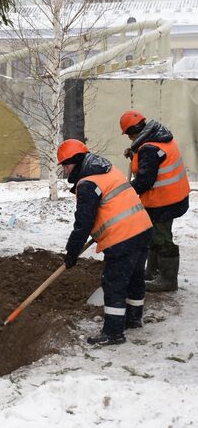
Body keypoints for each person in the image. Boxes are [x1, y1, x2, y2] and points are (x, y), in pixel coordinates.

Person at [58, 139, 153, 345]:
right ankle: (134, 319)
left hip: (123, 237)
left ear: (75, 161)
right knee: (136, 278)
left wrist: (72, 252)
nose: (65, 170)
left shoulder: (88, 184)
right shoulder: (108, 170)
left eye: (65, 165)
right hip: (143, 228)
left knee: (114, 284)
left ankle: (113, 333)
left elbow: (83, 223)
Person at [120, 111, 190, 292]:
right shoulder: (160, 137)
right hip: (174, 196)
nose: (129, 138)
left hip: (164, 201)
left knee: (162, 238)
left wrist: (126, 194)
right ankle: (152, 272)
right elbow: (155, 161)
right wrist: (135, 153)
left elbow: (145, 180)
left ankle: (167, 280)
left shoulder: (149, 149)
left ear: (133, 132)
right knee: (154, 234)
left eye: (129, 135)